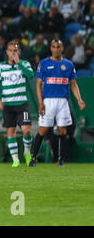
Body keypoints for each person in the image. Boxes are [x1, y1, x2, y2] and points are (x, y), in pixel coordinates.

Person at [30, 39, 86, 167]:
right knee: (43, 130)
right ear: (51, 48)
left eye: (58, 47)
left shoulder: (69, 64)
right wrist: (41, 102)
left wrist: (79, 99)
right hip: (48, 101)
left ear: (62, 49)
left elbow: (73, 84)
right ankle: (33, 158)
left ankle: (60, 159)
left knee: (62, 129)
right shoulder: (44, 63)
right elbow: (38, 84)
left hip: (63, 101)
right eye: (54, 46)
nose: (56, 49)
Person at [0, 42, 35, 167]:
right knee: (10, 132)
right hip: (8, 105)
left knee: (26, 131)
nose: (13, 53)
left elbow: (30, 75)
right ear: (6, 52)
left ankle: (27, 152)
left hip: (22, 104)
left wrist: (19, 63)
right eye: (11, 50)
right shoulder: (1, 66)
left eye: (15, 50)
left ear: (19, 52)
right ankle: (15, 160)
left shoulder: (25, 64)